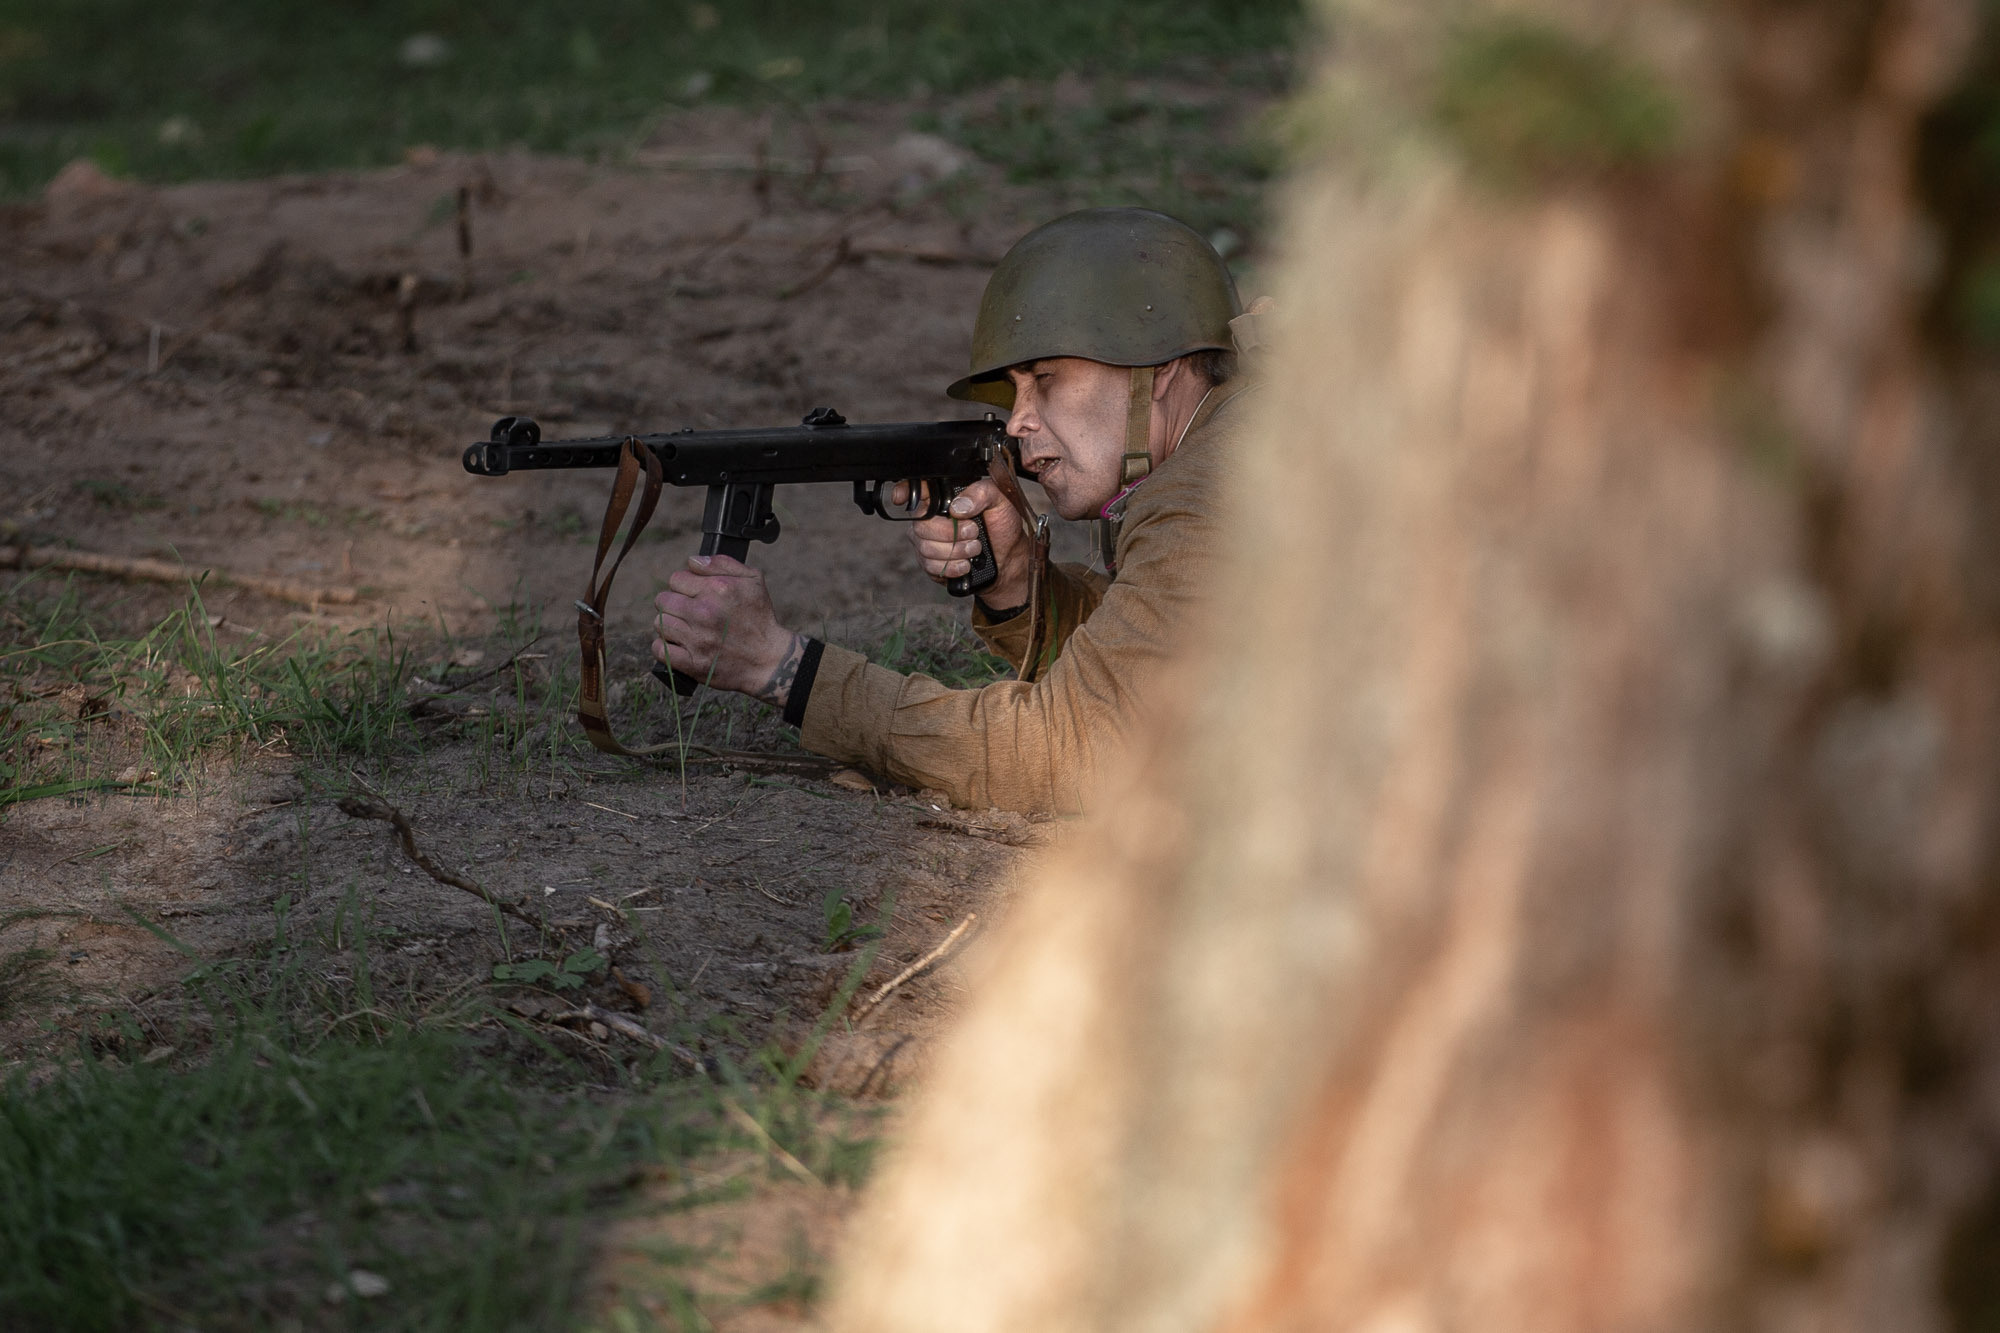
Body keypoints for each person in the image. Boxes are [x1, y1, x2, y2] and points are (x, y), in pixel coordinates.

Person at [651, 207, 1257, 813]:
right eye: (1015, 391)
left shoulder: (1210, 495)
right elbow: (1156, 672)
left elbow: (1067, 753)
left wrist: (781, 666)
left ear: (1158, 370)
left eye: (1045, 378)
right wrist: (1019, 586)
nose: (1017, 422)